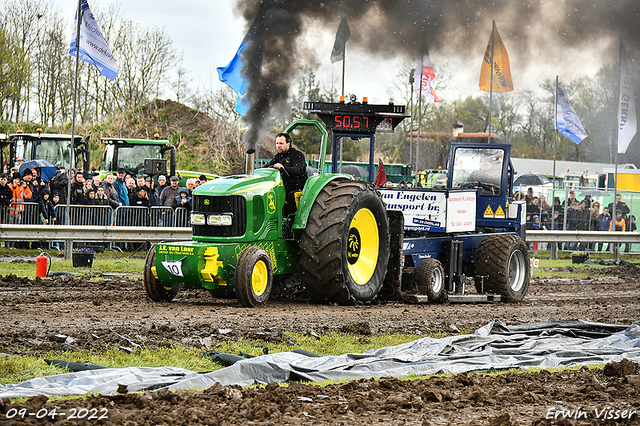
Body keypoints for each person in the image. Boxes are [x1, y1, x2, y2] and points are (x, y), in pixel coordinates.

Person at [265, 132, 308, 215]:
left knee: (291, 195)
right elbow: (267, 166)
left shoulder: (297, 155)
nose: (278, 146)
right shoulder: (278, 156)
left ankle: (294, 219)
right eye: (277, 143)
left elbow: (297, 170)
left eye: (281, 143)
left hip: (299, 187)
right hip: (284, 187)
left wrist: (283, 168)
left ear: (288, 143)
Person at [7, 172, 32, 248]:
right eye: (16, 179)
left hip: (18, 211)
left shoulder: (21, 187)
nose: (17, 181)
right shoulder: (9, 186)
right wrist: (13, 187)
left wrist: (26, 187)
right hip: (10, 210)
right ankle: (8, 245)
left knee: (15, 229)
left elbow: (28, 196)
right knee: (8, 229)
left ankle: (13, 245)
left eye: (18, 179)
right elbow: (9, 194)